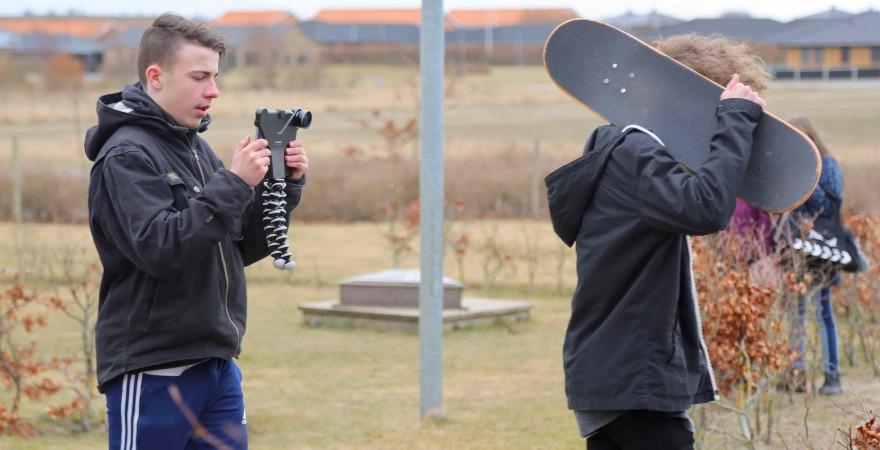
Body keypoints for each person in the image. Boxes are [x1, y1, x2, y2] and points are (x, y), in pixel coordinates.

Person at [84, 13, 309, 449]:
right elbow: (161, 247)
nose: (214, 90)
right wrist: (234, 182)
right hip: (153, 369)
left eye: (216, 76)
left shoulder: (196, 149)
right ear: (156, 77)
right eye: (200, 76)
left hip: (216, 364)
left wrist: (284, 187)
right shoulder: (125, 155)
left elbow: (230, 247)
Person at [545, 34, 768, 449]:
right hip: (632, 375)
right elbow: (706, 208)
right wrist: (735, 119)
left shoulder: (626, 152)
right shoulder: (634, 155)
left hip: (619, 372)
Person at [787, 116, 845, 396]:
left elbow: (831, 207)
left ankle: (832, 375)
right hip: (796, 247)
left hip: (823, 248)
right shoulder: (788, 167)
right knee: (796, 313)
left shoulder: (828, 165)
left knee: (824, 313)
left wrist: (806, 180)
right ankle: (797, 374)